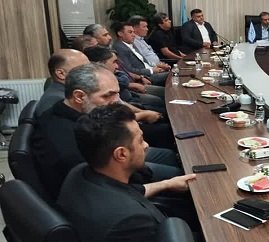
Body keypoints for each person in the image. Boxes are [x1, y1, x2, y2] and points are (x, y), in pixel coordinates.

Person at [57, 103, 196, 242]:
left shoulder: (81, 173)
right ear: (121, 154)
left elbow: (128, 192)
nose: (146, 145)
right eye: (140, 140)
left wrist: (166, 184)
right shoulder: (128, 222)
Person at [32, 63, 182, 200]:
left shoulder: (68, 110)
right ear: (79, 96)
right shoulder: (69, 144)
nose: (116, 101)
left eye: (117, 93)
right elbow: (109, 193)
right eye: (107, 95)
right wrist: (166, 184)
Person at [84, 46, 165, 114]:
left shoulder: (113, 72)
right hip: (130, 104)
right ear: (101, 64)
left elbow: (125, 77)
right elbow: (124, 81)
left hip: (132, 97)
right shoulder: (103, 80)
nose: (117, 66)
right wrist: (143, 113)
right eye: (114, 62)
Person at [111, 21, 169, 86]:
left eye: (133, 32)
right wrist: (151, 70)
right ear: (120, 33)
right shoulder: (119, 48)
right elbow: (129, 69)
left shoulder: (130, 44)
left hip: (151, 70)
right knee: (172, 75)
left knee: (174, 72)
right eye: (130, 32)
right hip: (144, 77)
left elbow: (143, 62)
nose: (133, 35)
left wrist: (156, 67)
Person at [36, 49, 89, 116]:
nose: (91, 73)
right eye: (83, 69)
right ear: (61, 74)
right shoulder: (58, 100)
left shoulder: (64, 93)